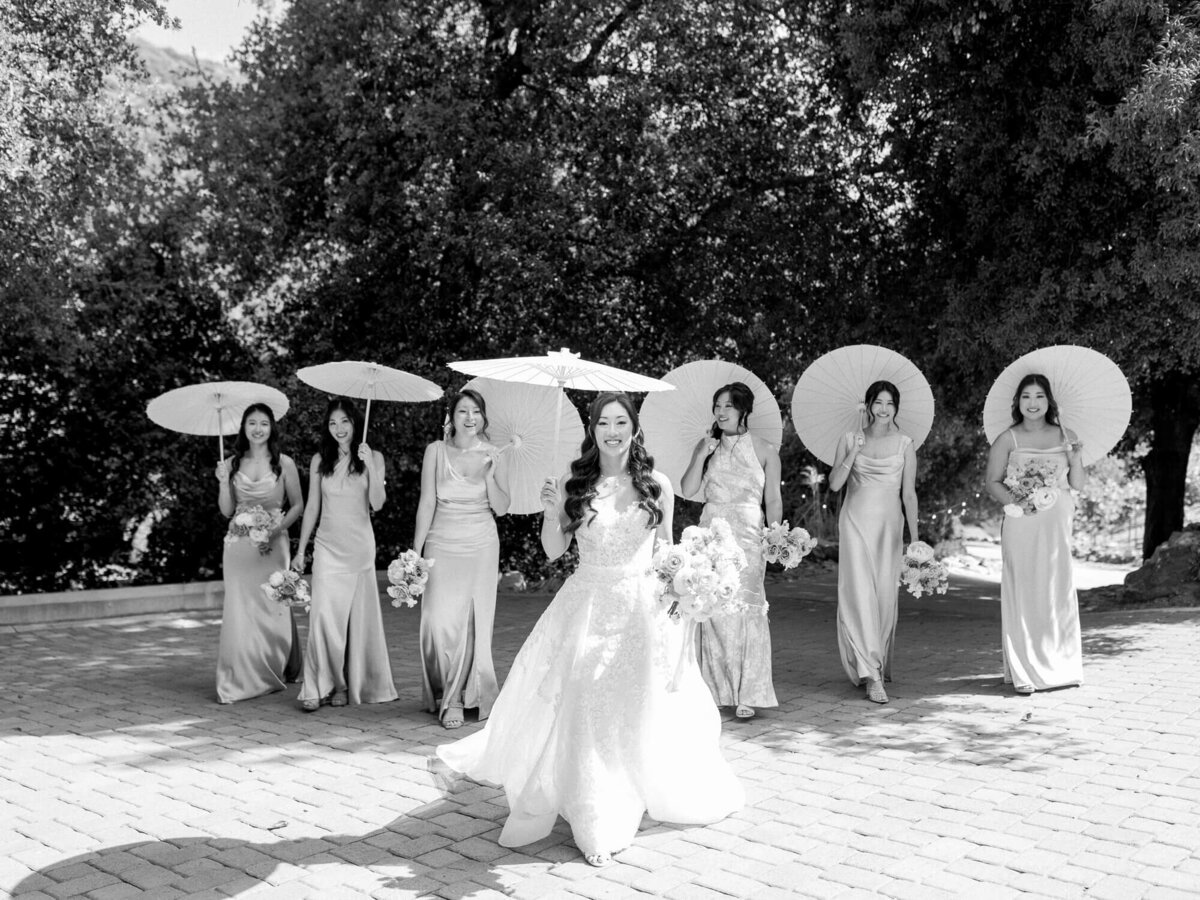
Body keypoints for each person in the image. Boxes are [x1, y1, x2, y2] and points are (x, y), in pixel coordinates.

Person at [437, 392, 743, 867]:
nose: (613, 430)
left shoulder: (656, 483)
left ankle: (630, 787)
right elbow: (555, 550)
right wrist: (549, 510)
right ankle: (594, 812)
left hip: (641, 608)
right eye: (604, 422)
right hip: (587, 603)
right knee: (583, 694)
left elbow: (666, 555)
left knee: (633, 702)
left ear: (634, 429)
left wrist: (688, 588)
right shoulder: (573, 483)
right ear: (593, 430)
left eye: (622, 421)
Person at [680, 381, 782, 719]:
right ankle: (713, 689)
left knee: (747, 605)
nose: (721, 412)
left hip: (751, 532)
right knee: (713, 603)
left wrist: (776, 536)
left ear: (744, 410)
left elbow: (774, 500)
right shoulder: (707, 446)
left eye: (728, 406)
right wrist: (700, 455)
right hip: (712, 530)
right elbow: (689, 488)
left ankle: (749, 692)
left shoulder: (766, 449)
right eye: (717, 406)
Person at [292, 397, 398, 711]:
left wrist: (371, 467)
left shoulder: (373, 456)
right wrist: (301, 549)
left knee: (357, 619)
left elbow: (378, 503)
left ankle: (349, 684)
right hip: (327, 547)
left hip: (359, 547)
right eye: (333, 423)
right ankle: (323, 685)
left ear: (355, 423)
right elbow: (312, 506)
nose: (339, 429)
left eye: (345, 422)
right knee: (324, 615)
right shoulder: (318, 460)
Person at [413, 389, 509, 729]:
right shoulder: (435, 452)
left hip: (481, 542)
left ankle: (457, 698)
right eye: (463, 411)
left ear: (483, 417)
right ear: (450, 417)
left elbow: (502, 506)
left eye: (476, 411)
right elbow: (427, 502)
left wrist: (490, 475)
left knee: (471, 621)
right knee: (438, 620)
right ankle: (444, 688)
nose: (470, 418)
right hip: (441, 540)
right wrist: (416, 552)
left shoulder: (494, 453)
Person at [985, 373, 1086, 694]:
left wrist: (1076, 456)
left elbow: (1078, 484)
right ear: (1018, 402)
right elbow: (992, 482)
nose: (1033, 403)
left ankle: (1063, 666)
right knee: (1023, 586)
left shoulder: (1066, 435)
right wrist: (1018, 502)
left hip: (1057, 520)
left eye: (1039, 396)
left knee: (1056, 587)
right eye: (1026, 396)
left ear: (1049, 401)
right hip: (1021, 520)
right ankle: (1024, 670)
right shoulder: (1007, 439)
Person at [828, 380, 920, 704]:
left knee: (883, 596)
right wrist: (854, 451)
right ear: (867, 405)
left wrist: (916, 539)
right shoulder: (849, 438)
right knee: (858, 595)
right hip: (855, 522)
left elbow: (908, 493)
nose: (883, 409)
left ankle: (874, 659)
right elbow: (836, 484)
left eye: (889, 403)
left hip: (889, 527)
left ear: (896, 407)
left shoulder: (905, 443)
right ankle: (870, 672)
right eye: (877, 402)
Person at [214, 402, 304, 703]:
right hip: (238, 547)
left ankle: (270, 667)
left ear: (271, 427)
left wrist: (276, 530)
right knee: (240, 609)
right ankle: (240, 671)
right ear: (244, 428)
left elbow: (297, 506)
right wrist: (223, 482)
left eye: (263, 423)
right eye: (251, 423)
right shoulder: (231, 464)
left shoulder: (284, 463)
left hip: (273, 545)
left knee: (270, 604)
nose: (257, 428)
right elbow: (227, 511)